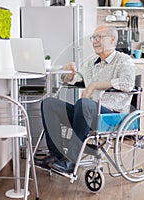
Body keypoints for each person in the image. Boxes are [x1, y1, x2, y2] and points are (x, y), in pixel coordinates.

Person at [35, 25, 136, 174]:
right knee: (48, 104)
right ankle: (56, 156)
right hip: (87, 112)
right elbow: (73, 79)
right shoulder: (91, 63)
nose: (94, 41)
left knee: (84, 104)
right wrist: (68, 72)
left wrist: (94, 86)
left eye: (98, 37)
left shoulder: (124, 60)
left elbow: (127, 83)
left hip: (111, 115)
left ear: (112, 39)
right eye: (93, 38)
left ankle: (72, 161)